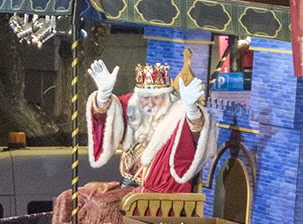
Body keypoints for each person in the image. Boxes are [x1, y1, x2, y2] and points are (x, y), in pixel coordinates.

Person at [84, 57, 216, 193]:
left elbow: (197, 133)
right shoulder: (133, 112)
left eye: (157, 97)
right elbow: (106, 117)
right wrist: (103, 96)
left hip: (154, 197)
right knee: (76, 196)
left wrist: (192, 111)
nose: (150, 103)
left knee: (97, 204)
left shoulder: (177, 120)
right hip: (126, 189)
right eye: (145, 97)